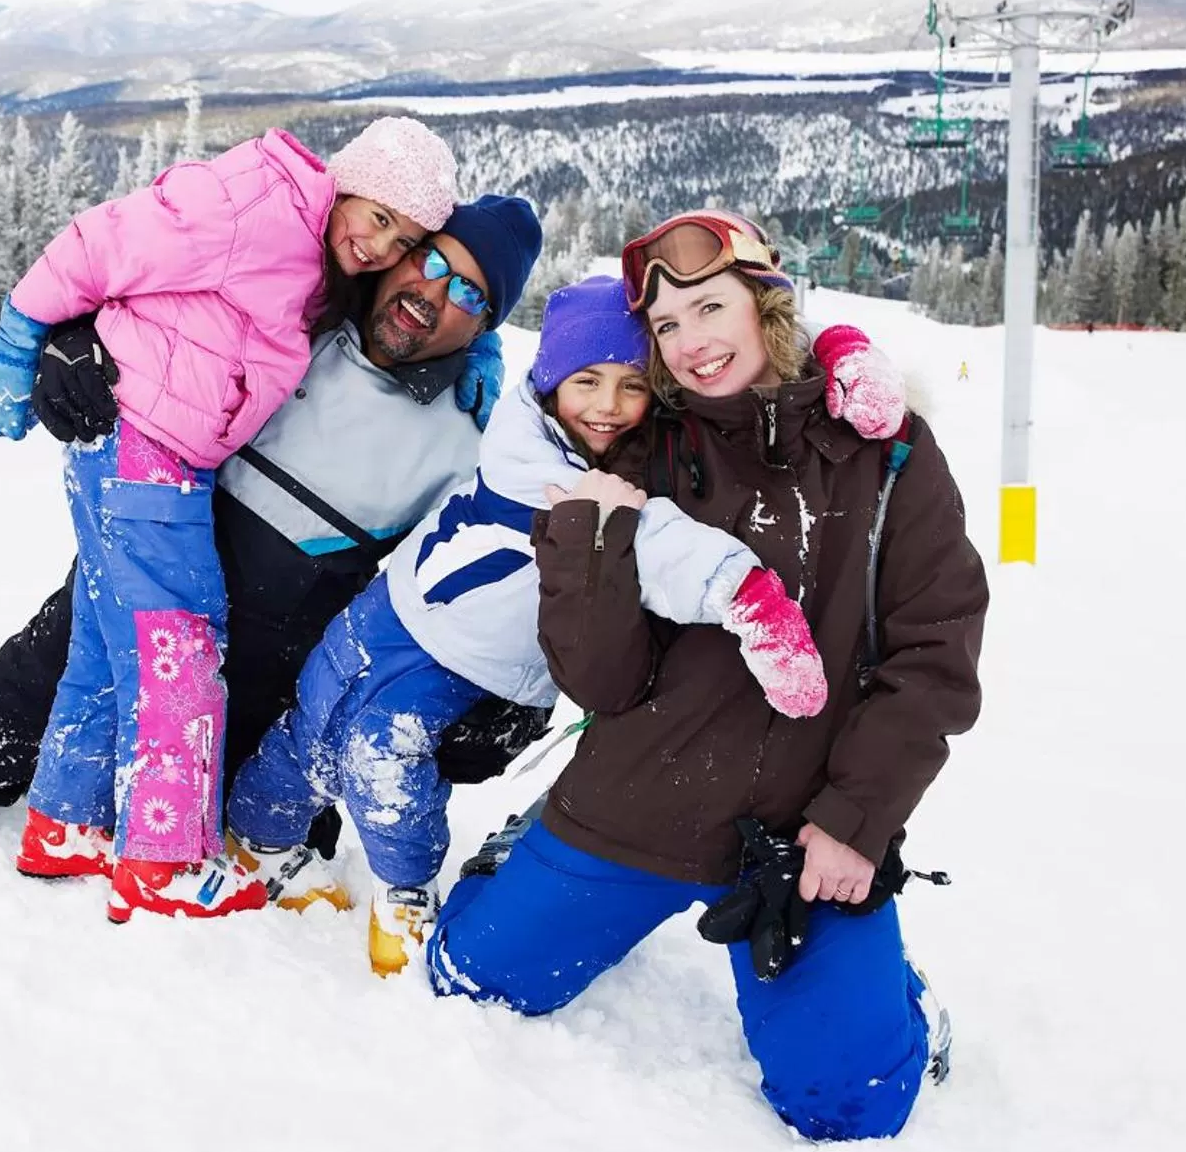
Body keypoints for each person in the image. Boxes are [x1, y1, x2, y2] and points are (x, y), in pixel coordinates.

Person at [427, 208, 988, 1143]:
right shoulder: (640, 451)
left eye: (709, 307)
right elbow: (601, 684)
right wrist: (584, 538)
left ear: (766, 304)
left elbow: (935, 654)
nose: (690, 343)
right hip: (636, 804)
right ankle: (522, 853)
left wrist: (854, 824)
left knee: (852, 1110)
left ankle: (893, 993)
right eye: (667, 325)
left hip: (805, 834)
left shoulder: (886, 456)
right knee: (468, 984)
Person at [210, 272, 834, 976]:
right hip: (397, 612)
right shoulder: (529, 454)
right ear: (549, 384)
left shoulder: (623, 467)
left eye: (631, 386)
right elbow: (633, 529)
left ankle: (405, 888)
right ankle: (260, 837)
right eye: (587, 381)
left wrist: (749, 598)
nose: (607, 405)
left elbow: (657, 542)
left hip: (470, 660)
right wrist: (748, 594)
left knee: (383, 753)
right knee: (313, 723)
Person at [0, 117, 464, 923]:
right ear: (347, 181)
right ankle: (162, 862)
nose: (379, 245)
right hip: (142, 440)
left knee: (105, 639)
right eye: (376, 216)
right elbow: (103, 241)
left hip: (158, 447)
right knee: (180, 649)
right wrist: (24, 335)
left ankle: (65, 821)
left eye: (402, 236)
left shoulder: (316, 253)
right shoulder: (256, 203)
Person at [0, 216, 544, 844]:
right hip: (136, 599)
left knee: (216, 830)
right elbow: (161, 300)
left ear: (484, 326)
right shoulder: (295, 310)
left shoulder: (467, 444)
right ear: (401, 255)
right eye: (433, 263)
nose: (432, 294)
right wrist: (81, 339)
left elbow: (477, 583)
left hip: (254, 678)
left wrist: (503, 698)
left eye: (468, 293)